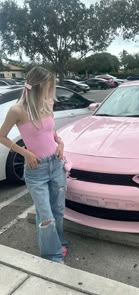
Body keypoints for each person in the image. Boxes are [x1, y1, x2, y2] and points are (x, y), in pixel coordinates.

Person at [0, 66, 68, 264]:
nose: (50, 91)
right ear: (37, 86)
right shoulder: (17, 110)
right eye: (48, 86)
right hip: (35, 170)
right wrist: (25, 152)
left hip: (55, 164)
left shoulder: (47, 104)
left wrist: (61, 143)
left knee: (58, 210)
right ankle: (53, 255)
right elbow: (1, 136)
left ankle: (59, 242)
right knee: (46, 215)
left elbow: (51, 133)